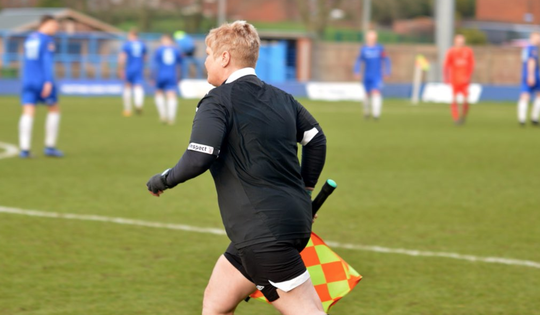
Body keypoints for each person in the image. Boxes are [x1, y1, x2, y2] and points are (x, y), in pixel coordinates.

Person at [146, 21, 328, 315]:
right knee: (216, 303)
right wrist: (305, 191)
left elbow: (198, 158)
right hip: (283, 223)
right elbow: (316, 140)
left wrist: (162, 179)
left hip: (263, 233)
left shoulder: (216, 101)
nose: (205, 61)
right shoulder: (283, 99)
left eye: (208, 54)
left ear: (224, 58)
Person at [19, 15, 63, 158]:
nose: (56, 29)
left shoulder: (30, 38)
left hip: (28, 80)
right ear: (46, 24)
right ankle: (50, 147)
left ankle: (24, 149)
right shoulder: (47, 41)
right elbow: (46, 62)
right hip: (42, 81)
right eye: (54, 25)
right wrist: (48, 81)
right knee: (54, 109)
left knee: (28, 112)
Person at [353, 30, 391, 120]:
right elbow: (358, 60)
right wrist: (356, 71)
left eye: (372, 38)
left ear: (375, 39)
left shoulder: (380, 49)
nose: (370, 40)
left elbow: (386, 59)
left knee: (376, 92)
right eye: (369, 38)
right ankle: (366, 112)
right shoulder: (364, 49)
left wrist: (387, 71)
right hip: (367, 75)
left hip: (377, 75)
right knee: (366, 94)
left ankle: (376, 114)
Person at [444, 34, 475, 125]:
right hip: (454, 80)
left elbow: (471, 65)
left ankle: (463, 116)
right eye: (459, 42)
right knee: (454, 99)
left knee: (466, 100)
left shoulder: (468, 51)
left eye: (462, 42)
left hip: (465, 80)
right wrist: (446, 78)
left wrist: (468, 76)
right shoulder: (451, 52)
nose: (461, 44)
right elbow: (446, 65)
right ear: (455, 42)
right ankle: (455, 118)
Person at [153, 34, 183, 124]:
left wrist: (152, 76)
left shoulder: (159, 49)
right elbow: (179, 65)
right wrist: (179, 76)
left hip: (161, 74)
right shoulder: (176, 50)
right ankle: (171, 118)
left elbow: (155, 64)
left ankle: (163, 116)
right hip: (172, 74)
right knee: (171, 94)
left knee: (159, 93)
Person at [118, 29, 147, 116]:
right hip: (139, 68)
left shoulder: (127, 44)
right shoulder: (142, 45)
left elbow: (122, 57)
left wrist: (120, 68)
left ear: (131, 35)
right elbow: (145, 57)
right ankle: (139, 104)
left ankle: (127, 109)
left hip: (130, 68)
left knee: (127, 86)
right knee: (138, 86)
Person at [517, 32, 540, 126]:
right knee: (526, 96)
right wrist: (531, 75)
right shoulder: (533, 49)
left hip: (528, 75)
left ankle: (525, 119)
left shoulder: (527, 48)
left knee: (528, 96)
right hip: (532, 75)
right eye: (537, 38)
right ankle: (531, 119)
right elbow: (531, 62)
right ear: (532, 38)